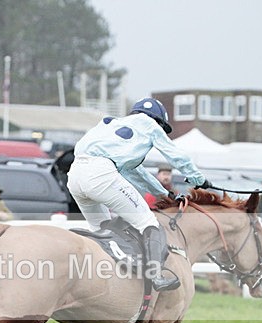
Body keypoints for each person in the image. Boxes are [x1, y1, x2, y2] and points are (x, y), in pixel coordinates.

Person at [67, 97, 211, 291]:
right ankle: (156, 276)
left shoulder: (112, 124)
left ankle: (100, 283)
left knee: (102, 230)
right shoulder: (150, 125)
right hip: (100, 174)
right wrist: (197, 178)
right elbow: (176, 156)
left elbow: (134, 172)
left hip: (75, 175)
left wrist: (164, 193)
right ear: (159, 120)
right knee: (149, 224)